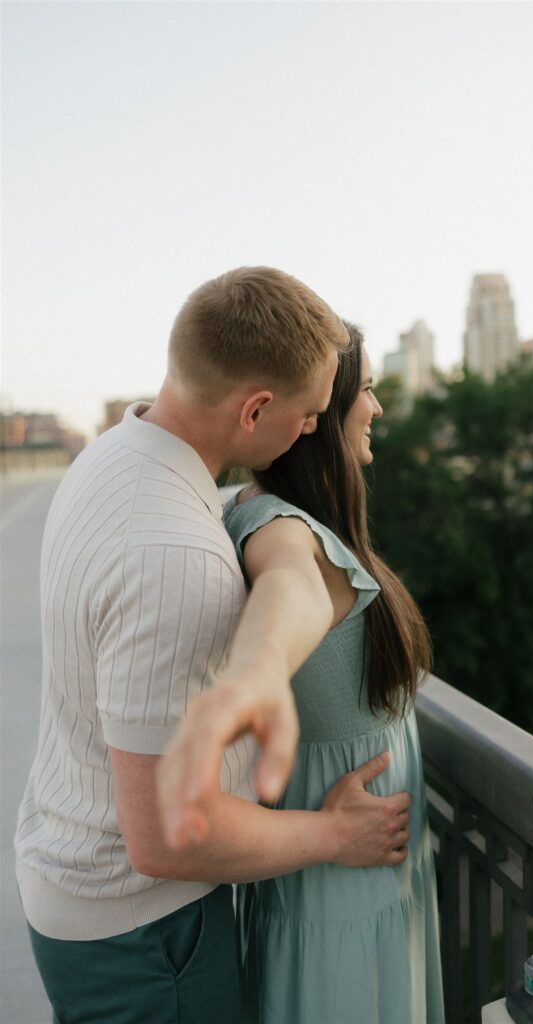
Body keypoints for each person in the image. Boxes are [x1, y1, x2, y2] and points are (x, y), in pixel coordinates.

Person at [14, 268, 412, 1024]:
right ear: (257, 407)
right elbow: (167, 836)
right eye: (306, 414)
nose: (308, 431)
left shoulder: (113, 455)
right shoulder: (176, 557)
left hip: (79, 893)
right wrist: (335, 833)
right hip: (144, 939)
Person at [222, 322, 445, 1023]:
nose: (376, 408)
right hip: (335, 900)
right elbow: (287, 581)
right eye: (368, 391)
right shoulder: (281, 530)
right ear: (320, 412)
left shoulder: (303, 520)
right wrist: (258, 664)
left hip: (374, 880)